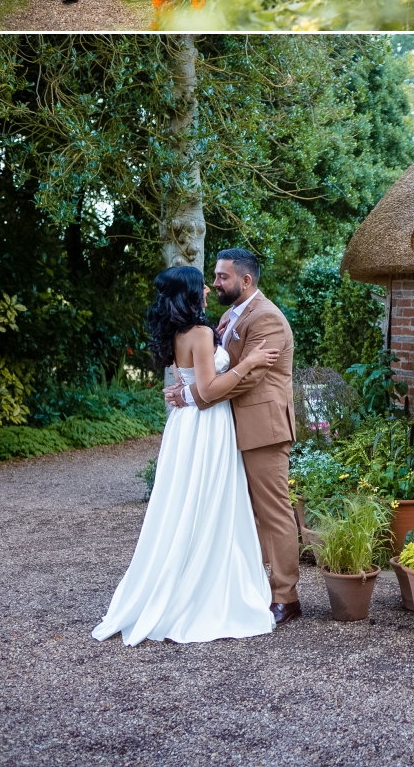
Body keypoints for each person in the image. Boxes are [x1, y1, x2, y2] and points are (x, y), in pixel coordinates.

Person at [92, 263, 281, 646]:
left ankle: (184, 578)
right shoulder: (199, 332)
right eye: (203, 286)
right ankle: (202, 591)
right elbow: (210, 391)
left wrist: (184, 393)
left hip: (185, 426)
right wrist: (249, 362)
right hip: (206, 428)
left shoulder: (176, 332)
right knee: (208, 503)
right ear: (190, 294)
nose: (210, 290)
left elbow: (190, 384)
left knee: (186, 504)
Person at [208, 248, 301, 626]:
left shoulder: (267, 319)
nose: (215, 283)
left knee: (273, 512)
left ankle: (286, 597)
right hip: (233, 427)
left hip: (263, 429)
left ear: (245, 280)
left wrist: (200, 393)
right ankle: (252, 590)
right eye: (215, 276)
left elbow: (247, 377)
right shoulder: (230, 315)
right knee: (244, 513)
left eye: (222, 277)